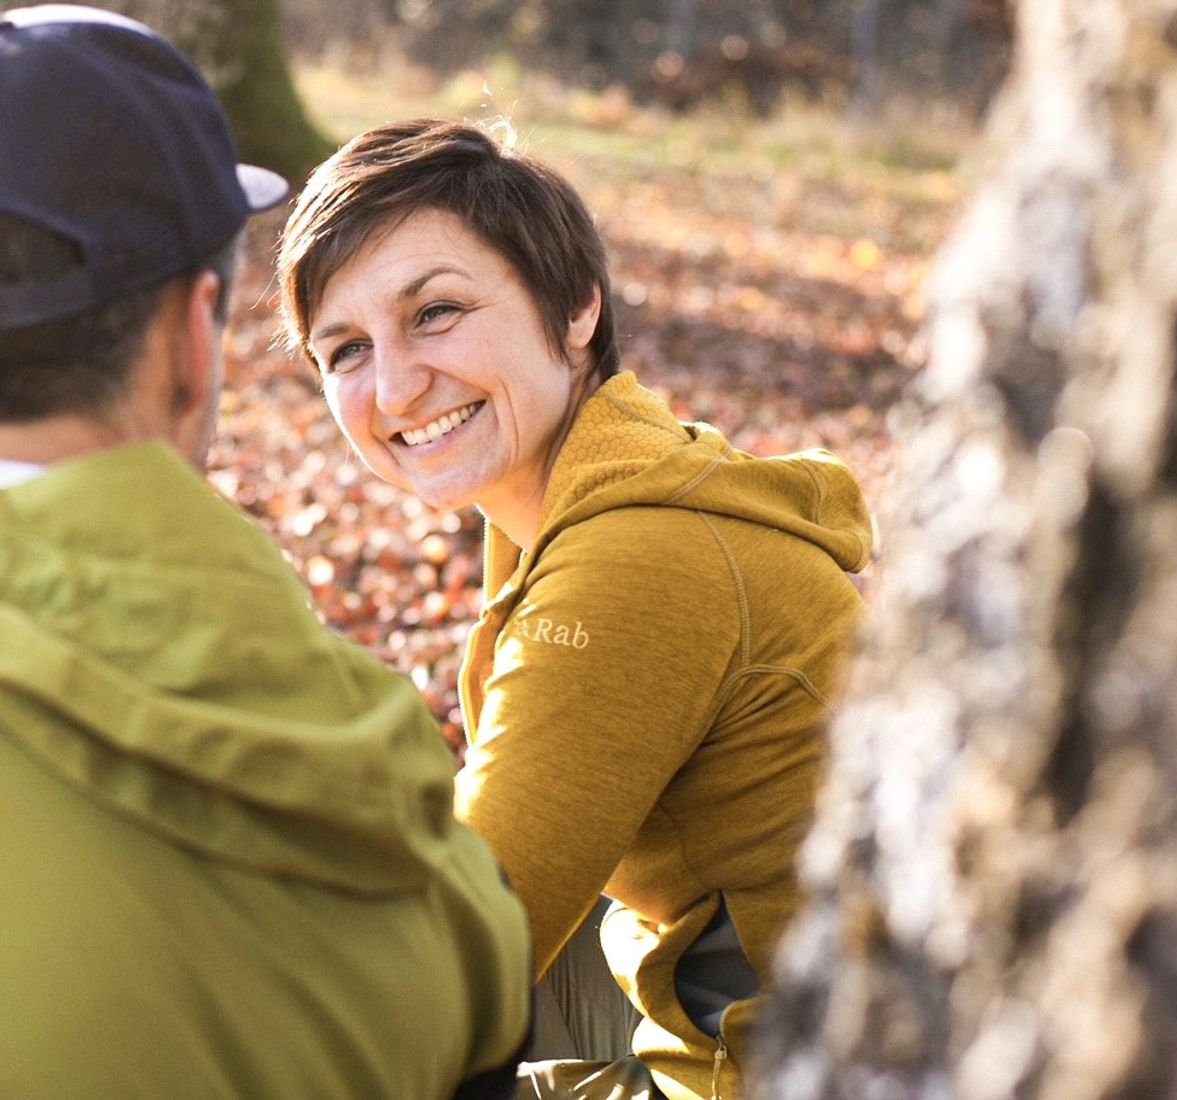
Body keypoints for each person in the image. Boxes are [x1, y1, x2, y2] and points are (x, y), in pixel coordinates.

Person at [277, 118, 873, 1100]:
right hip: (755, 1004)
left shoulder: (635, 557)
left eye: (435, 312)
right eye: (344, 348)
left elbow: (447, 963)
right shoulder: (623, 478)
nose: (393, 385)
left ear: (577, 308)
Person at [0, 10, 530, 1099]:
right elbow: (488, 976)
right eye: (345, 348)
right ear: (195, 338)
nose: (392, 388)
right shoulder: (346, 757)